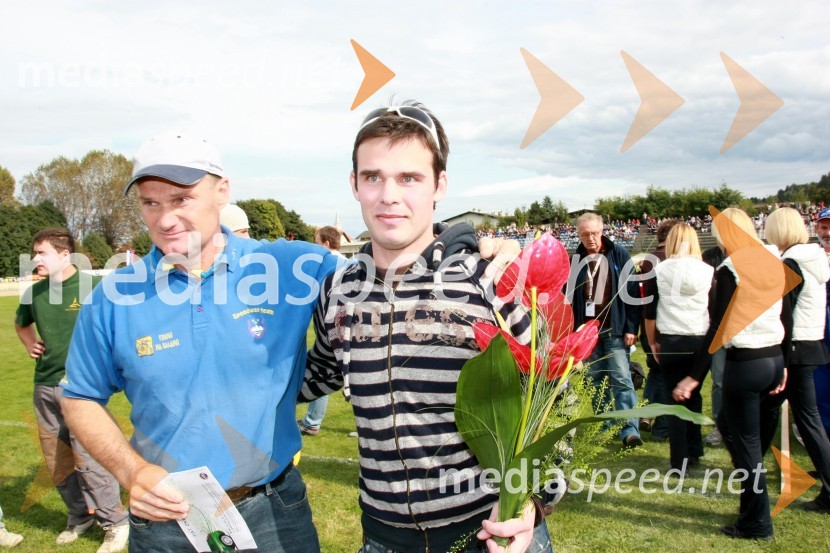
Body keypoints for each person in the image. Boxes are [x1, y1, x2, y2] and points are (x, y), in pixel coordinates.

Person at [60, 131, 340, 552]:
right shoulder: (113, 297)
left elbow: (389, 273)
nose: (165, 219)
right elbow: (79, 397)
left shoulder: (289, 266)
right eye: (150, 203)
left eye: (181, 199)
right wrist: (131, 471)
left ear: (222, 191)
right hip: (166, 520)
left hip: (274, 511)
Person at [302, 101, 551, 553]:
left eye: (409, 178)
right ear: (354, 185)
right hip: (384, 537)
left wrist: (534, 500)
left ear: (440, 185)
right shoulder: (337, 288)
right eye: (372, 176)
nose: (388, 195)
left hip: (487, 531)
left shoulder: (491, 278)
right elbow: (315, 373)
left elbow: (554, 393)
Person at [14, 228, 129, 553]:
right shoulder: (33, 294)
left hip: (82, 390)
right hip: (45, 386)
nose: (35, 259)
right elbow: (21, 323)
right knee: (57, 461)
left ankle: (115, 523)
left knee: (90, 458)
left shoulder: (93, 286)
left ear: (65, 255)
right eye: (34, 252)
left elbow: (120, 324)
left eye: (42, 253)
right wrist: (28, 343)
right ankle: (79, 516)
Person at [675, 207, 787, 540]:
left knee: (746, 446)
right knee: (748, 442)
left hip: (748, 363)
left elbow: (717, 330)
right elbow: (788, 315)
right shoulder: (773, 261)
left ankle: (757, 522)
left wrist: (694, 377)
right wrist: (786, 365)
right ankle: (752, 509)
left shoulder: (729, 270)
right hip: (773, 359)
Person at [764, 207, 830, 513]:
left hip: (795, 349)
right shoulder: (811, 258)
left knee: (807, 420)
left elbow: (785, 315)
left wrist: (783, 361)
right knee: (798, 417)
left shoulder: (791, 262)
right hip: (809, 343)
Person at [570, 212, 643, 448]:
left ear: (602, 231)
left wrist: (632, 327)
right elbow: (569, 297)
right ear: (579, 234)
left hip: (615, 328)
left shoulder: (618, 253)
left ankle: (629, 428)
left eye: (594, 233)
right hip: (588, 331)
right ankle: (607, 424)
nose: (590, 238)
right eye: (585, 234)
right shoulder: (576, 259)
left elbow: (632, 292)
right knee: (595, 380)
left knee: (621, 378)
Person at [644, 223, 712, 471]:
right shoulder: (708, 270)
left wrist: (652, 340)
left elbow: (650, 312)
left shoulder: (660, 270)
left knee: (674, 401)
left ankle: (679, 460)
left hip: (672, 339)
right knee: (693, 396)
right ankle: (694, 451)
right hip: (700, 339)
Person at [297, 226, 350, 436]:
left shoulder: (328, 268)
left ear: (326, 244)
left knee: (325, 367)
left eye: (317, 242)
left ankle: (312, 421)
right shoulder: (350, 263)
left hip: (332, 327)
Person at [638, 218, 678, 441]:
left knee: (655, 371)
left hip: (648, 323)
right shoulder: (671, 260)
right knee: (667, 376)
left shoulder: (648, 259)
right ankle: (662, 426)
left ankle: (645, 414)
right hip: (667, 325)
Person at [701, 245, 726, 447]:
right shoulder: (709, 285)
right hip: (717, 336)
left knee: (723, 381)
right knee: (718, 382)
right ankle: (721, 426)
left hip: (733, 337)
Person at [814, 207, 830, 439]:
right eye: (825, 227)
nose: (828, 233)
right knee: (821, 391)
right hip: (818, 333)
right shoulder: (811, 257)